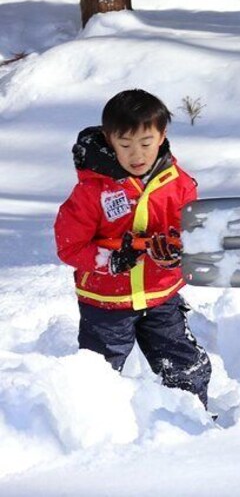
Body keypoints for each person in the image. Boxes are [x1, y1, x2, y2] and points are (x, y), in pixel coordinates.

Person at [54, 89, 212, 407]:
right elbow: (69, 246)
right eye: (125, 145)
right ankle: (94, 424)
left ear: (161, 136)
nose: (136, 155)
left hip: (161, 297)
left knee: (184, 363)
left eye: (145, 143)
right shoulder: (91, 191)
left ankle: (193, 418)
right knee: (98, 373)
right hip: (105, 303)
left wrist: (174, 256)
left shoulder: (178, 184)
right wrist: (109, 260)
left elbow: (189, 236)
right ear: (109, 140)